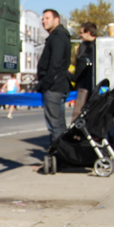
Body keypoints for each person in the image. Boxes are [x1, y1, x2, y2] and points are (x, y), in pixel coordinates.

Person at [36, 9, 71, 146]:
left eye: (47, 18)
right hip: (57, 86)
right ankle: (62, 156)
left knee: (55, 126)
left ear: (56, 20)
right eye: (43, 19)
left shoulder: (57, 37)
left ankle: (59, 157)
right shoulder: (59, 36)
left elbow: (54, 64)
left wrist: (45, 84)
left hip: (54, 88)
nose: (44, 21)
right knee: (59, 125)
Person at [71, 22, 97, 123]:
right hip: (98, 88)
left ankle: (77, 136)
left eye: (81, 32)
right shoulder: (100, 46)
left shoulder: (85, 47)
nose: (80, 35)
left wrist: (72, 76)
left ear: (88, 33)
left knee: (79, 115)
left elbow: (80, 66)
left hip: (84, 87)